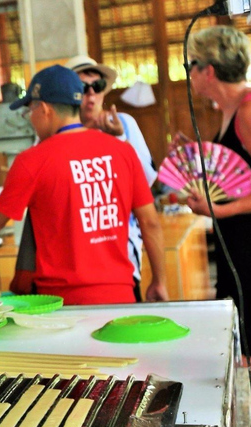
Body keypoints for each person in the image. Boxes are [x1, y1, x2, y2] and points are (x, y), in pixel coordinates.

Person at [0, 65, 168, 305]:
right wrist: (159, 280)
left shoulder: (32, 160)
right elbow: (150, 223)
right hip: (121, 295)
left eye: (30, 110)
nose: (30, 118)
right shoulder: (123, 151)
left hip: (61, 304)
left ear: (44, 109)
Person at [185, 25, 251, 418]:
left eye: (192, 66)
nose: (189, 75)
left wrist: (221, 210)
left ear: (209, 70)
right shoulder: (230, 110)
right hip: (240, 245)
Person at [65, 55, 158, 301]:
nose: (91, 95)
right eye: (82, 88)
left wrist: (118, 140)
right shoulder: (58, 134)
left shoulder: (125, 124)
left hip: (122, 248)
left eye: (97, 87)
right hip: (74, 254)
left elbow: (146, 183)